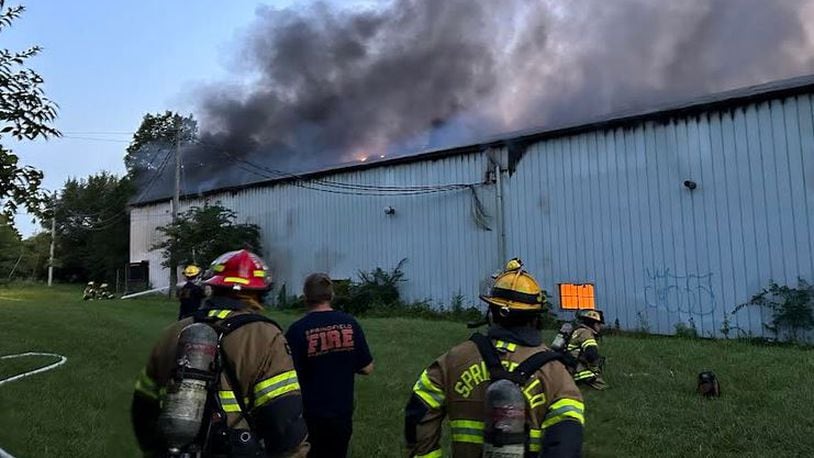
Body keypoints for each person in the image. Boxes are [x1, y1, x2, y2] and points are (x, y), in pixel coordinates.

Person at [131, 249, 309, 457]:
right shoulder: (267, 337)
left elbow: (142, 407)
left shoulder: (173, 333)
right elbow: (284, 420)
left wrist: (155, 451)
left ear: (213, 287)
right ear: (259, 293)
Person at [405, 259, 584, 457]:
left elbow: (418, 412)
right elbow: (566, 440)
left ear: (491, 314)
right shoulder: (555, 373)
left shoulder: (453, 360)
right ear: (535, 318)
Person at [285, 273, 373, 458]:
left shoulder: (297, 330)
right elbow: (367, 367)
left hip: (309, 415)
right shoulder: (350, 324)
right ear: (331, 295)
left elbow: (287, 374)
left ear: (306, 297)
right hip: (342, 413)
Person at [567, 309, 608, 390]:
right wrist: (595, 367)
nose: (600, 327)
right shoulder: (586, 333)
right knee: (604, 388)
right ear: (595, 324)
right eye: (599, 325)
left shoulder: (577, 330)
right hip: (576, 367)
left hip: (568, 364)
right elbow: (591, 353)